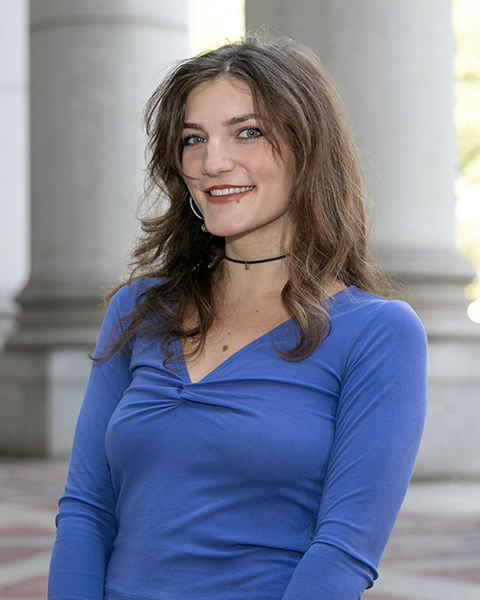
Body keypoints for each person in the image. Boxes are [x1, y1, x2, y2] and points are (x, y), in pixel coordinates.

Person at [48, 35, 427, 600]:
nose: (211, 161)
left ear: (308, 146)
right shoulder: (140, 309)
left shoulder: (378, 333)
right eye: (192, 140)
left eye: (247, 132)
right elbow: (85, 508)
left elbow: (343, 553)